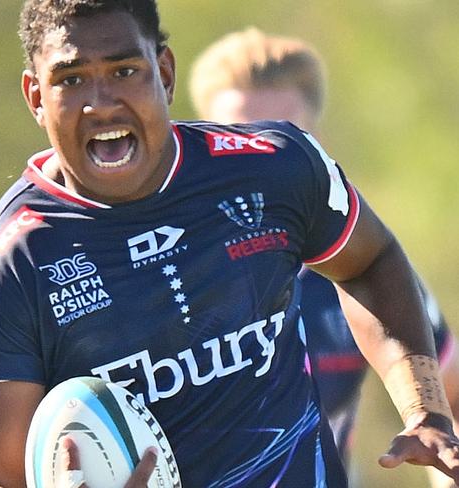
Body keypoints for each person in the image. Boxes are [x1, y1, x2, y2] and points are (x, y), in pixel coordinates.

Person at [0, 2, 459, 487]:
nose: (100, 104)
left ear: (164, 74)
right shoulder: (9, 268)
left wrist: (426, 408)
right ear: (37, 97)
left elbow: (370, 260)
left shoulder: (272, 167)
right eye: (71, 80)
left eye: (125, 71)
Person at [188, 27, 459, 488]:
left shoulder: (372, 271)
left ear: (313, 144)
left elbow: (450, 410)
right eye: (238, 140)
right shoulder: (164, 271)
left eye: (277, 141)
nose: (260, 165)